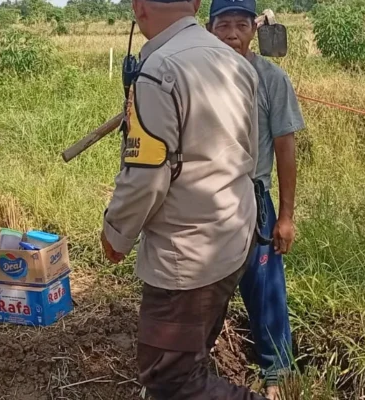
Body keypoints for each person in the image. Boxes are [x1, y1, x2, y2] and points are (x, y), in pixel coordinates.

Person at [99, 0, 264, 397]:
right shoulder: (236, 63)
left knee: (171, 381)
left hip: (186, 258)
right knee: (193, 356)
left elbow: (146, 179)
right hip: (234, 238)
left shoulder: (158, 72)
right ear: (194, 4)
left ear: (139, 10)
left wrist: (116, 234)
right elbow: (251, 156)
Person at [208, 2, 303, 399]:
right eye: (223, 24)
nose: (232, 33)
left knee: (265, 288)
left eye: (240, 25)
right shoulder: (198, 77)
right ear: (209, 29)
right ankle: (190, 364)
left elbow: (285, 149)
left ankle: (276, 374)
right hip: (205, 198)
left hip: (253, 197)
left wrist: (285, 217)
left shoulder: (271, 79)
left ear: (253, 30)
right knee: (202, 286)